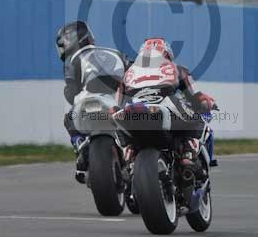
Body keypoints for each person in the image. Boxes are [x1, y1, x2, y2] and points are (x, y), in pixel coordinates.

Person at [119, 38, 218, 168]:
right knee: (197, 117)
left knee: (119, 124)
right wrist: (206, 103)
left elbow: (118, 101)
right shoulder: (178, 68)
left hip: (135, 108)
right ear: (167, 54)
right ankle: (188, 151)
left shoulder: (128, 72)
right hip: (164, 104)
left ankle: (127, 152)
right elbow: (194, 95)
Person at [56, 21, 130, 183]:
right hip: (117, 104)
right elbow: (132, 75)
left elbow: (71, 93)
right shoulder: (115, 53)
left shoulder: (73, 62)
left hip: (89, 103)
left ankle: (80, 148)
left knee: (69, 119)